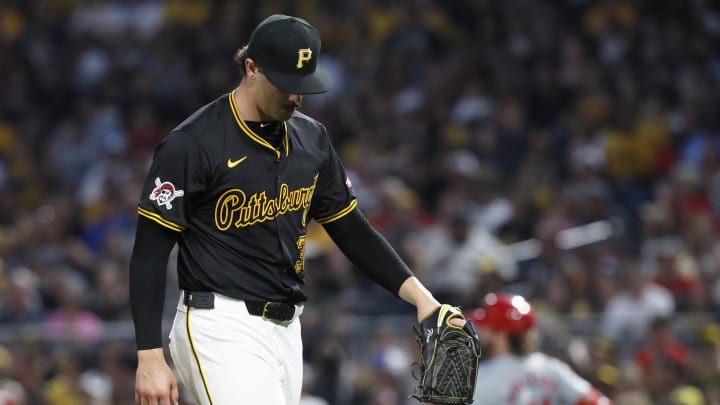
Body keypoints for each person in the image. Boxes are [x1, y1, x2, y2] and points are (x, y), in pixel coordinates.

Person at [129, 14, 459, 405]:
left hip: (287, 329)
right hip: (219, 323)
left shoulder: (311, 138)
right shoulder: (193, 143)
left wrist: (425, 300)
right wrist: (149, 355)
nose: (296, 96)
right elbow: (149, 253)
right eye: (286, 84)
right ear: (251, 68)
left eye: (304, 86)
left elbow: (352, 230)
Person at [468, 293, 613, 405]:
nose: (480, 332)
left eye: (485, 327)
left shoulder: (482, 379)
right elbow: (598, 402)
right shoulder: (551, 368)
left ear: (500, 334)